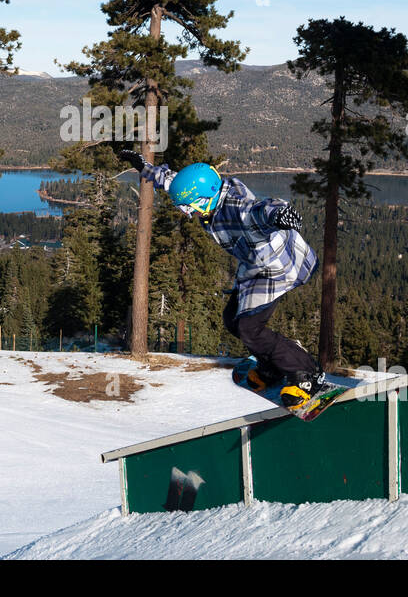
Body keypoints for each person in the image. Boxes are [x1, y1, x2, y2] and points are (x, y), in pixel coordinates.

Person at [118, 150, 330, 407]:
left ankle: (307, 374)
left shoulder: (236, 207)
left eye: (189, 207)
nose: (188, 213)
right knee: (232, 320)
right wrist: (144, 167)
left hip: (280, 267)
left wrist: (280, 215)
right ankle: (272, 367)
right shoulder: (208, 195)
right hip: (255, 266)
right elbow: (174, 182)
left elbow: (262, 209)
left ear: (203, 198)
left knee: (249, 328)